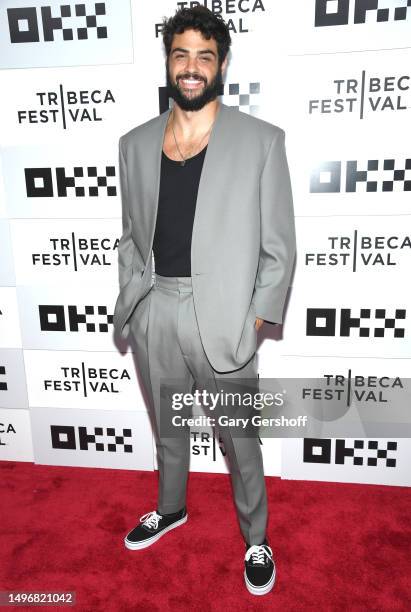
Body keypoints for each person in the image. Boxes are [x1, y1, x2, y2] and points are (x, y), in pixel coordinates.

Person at [113, 6, 296, 597]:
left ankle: (257, 539)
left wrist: (256, 320)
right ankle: (171, 508)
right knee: (168, 426)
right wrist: (134, 304)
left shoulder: (260, 141)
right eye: (181, 54)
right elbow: (130, 234)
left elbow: (279, 248)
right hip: (156, 309)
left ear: (221, 64)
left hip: (223, 316)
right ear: (168, 61)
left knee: (239, 436)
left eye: (204, 56)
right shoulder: (135, 143)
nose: (191, 68)